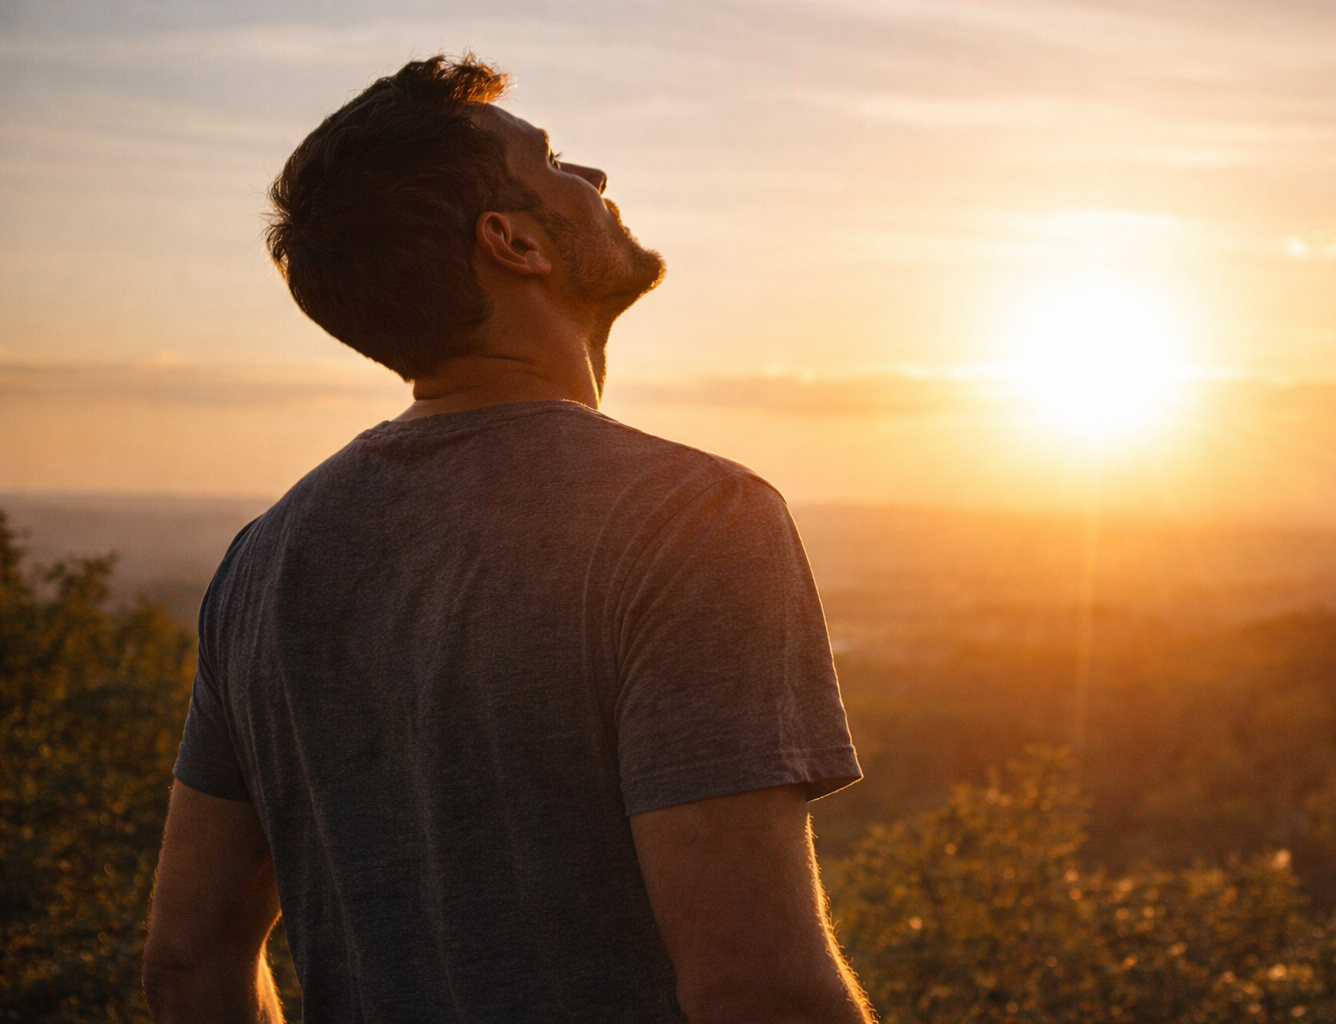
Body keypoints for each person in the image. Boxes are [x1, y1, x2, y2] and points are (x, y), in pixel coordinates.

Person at [142, 54, 871, 1024]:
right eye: (556, 162)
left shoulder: (262, 564)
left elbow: (188, 961)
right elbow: (757, 988)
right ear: (513, 243)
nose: (595, 178)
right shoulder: (692, 519)